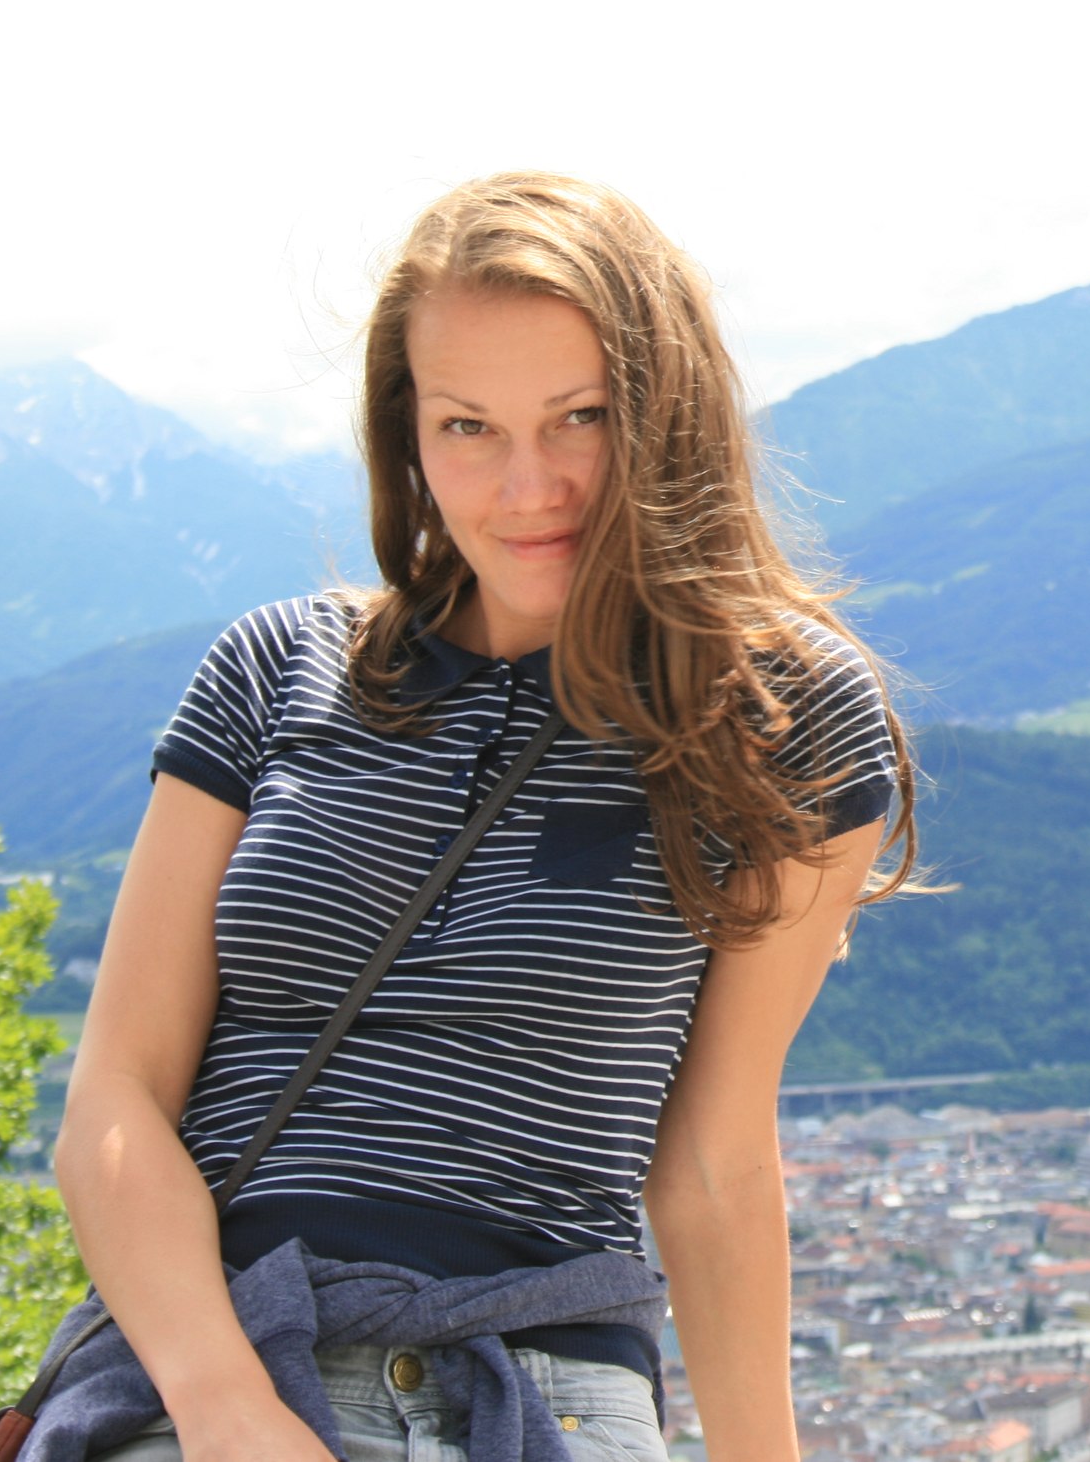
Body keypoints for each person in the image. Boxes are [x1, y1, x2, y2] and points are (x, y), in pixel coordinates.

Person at [47, 173, 922, 1462]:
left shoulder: (783, 716)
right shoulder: (275, 668)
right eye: (469, 427)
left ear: (668, 417)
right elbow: (114, 1103)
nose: (529, 486)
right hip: (220, 1370)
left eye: (582, 417)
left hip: (544, 1394)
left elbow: (713, 1158)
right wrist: (225, 1408)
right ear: (407, 436)